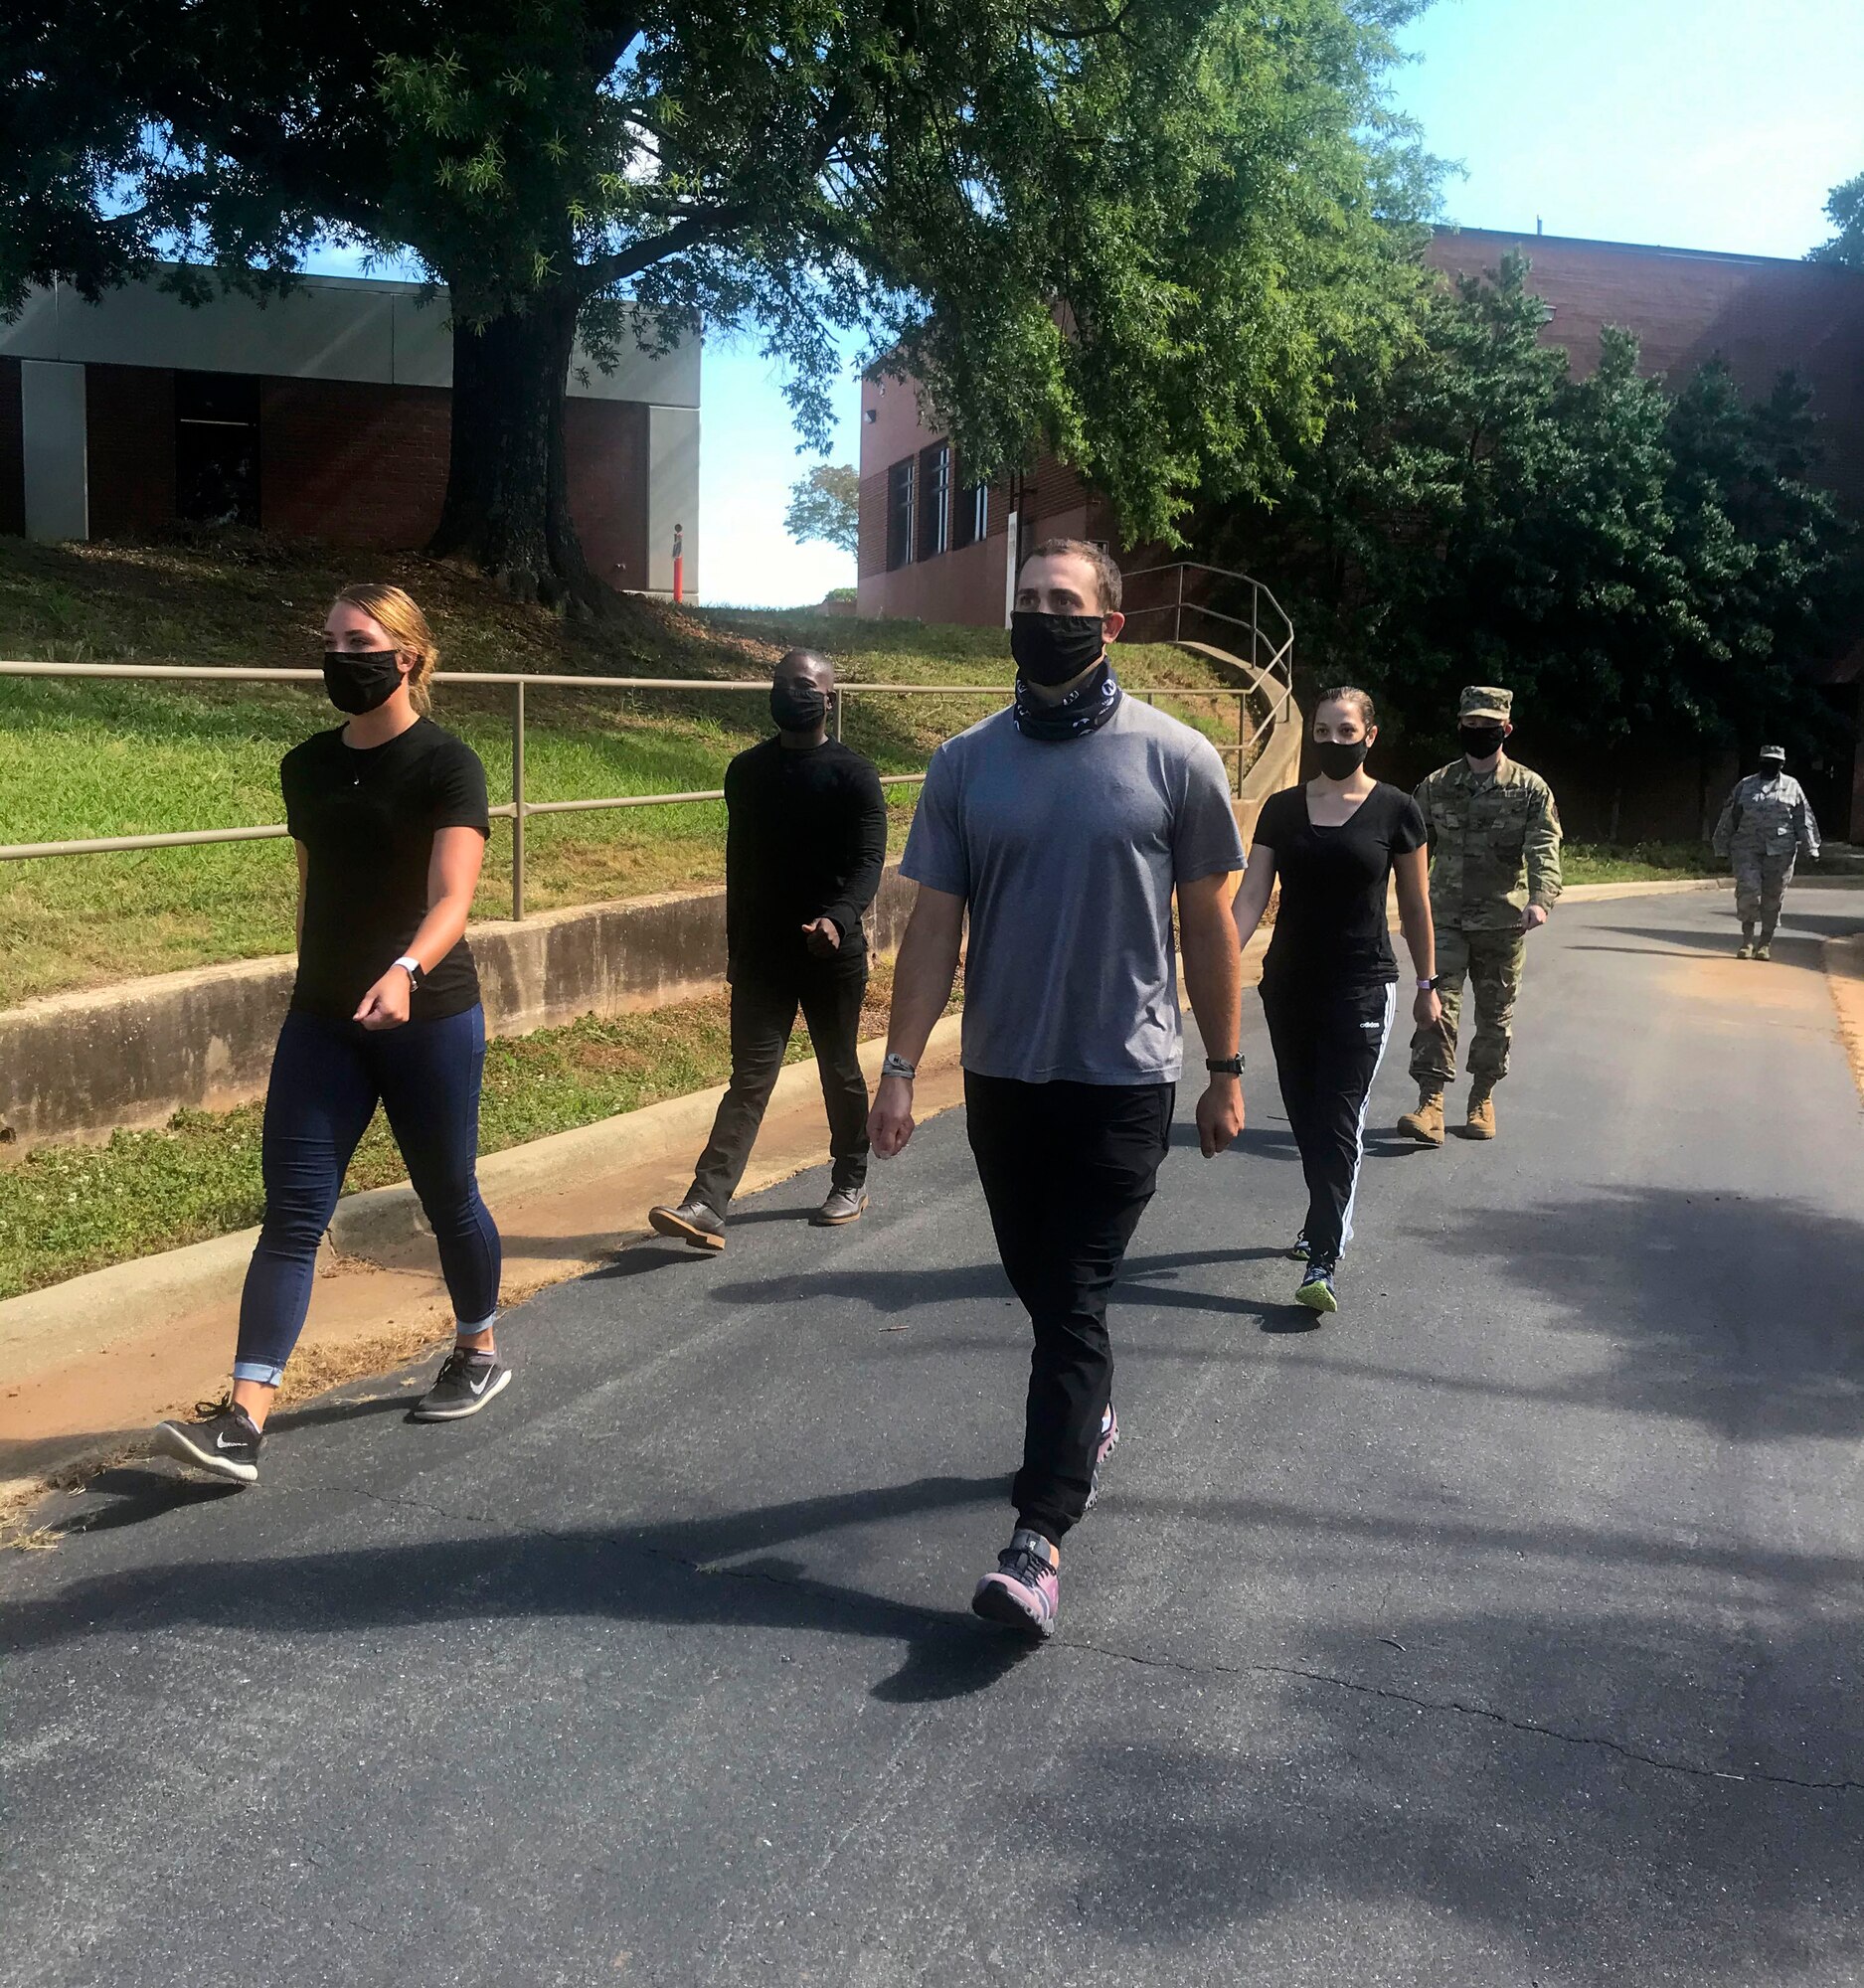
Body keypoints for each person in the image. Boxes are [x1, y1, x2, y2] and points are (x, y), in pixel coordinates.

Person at [869, 539, 1247, 1641]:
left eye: (1064, 602)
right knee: (1043, 1288)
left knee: (1072, 1297)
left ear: (1111, 625)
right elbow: (934, 929)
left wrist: (1224, 1068)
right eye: (1027, 599)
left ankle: (1038, 1536)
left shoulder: (1178, 759)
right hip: (1002, 1075)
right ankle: (1089, 1415)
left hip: (1122, 1076)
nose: (1041, 615)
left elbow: (1208, 928)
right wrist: (898, 1069)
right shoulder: (964, 763)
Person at [156, 584, 505, 1486]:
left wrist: (405, 972)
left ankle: (478, 1347)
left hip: (428, 1015)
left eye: (359, 640)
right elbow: (311, 889)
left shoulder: (446, 763)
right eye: (329, 641)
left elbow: (454, 898)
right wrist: (314, 979)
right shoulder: (304, 765)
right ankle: (244, 1417)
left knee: (447, 1194)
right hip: (323, 1020)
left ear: (408, 657)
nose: (338, 656)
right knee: (294, 1212)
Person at [648, 649, 887, 1249]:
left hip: (832, 953)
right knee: (750, 1079)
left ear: (829, 698)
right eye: (783, 683)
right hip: (763, 956)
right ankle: (706, 1202)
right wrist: (735, 949)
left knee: (838, 1068)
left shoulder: (854, 775)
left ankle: (851, 1178)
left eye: (805, 685)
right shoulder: (747, 771)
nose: (792, 693)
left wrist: (837, 920)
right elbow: (741, 867)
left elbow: (868, 863)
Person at [1232, 689, 1439, 1314]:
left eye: (1346, 731)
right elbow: (1249, 901)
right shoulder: (1282, 810)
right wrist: (1215, 962)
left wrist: (1428, 987)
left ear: (1370, 736)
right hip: (1290, 985)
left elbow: (1417, 907)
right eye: (1322, 730)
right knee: (1304, 1118)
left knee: (1339, 1118)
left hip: (1362, 985)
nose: (1333, 741)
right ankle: (1322, 1219)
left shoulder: (1397, 811)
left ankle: (1323, 1251)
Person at [1397, 686, 1562, 1146]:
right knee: (1436, 1008)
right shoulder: (1435, 786)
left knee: (1494, 1018)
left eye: (1488, 727)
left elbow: (1545, 846)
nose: (1479, 733)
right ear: (1460, 726)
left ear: (1505, 729)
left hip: (1503, 922)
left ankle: (1482, 1096)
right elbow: (1409, 846)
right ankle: (1430, 1101)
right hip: (1444, 919)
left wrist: (1540, 898)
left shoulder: (1529, 788)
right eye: (1471, 726)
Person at [1712, 746, 1820, 959]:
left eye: (1775, 761)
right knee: (1748, 890)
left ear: (1782, 764)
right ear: (1760, 762)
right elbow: (1729, 817)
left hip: (1780, 852)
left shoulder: (1792, 786)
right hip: (1747, 849)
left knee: (1773, 897)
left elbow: (1803, 818)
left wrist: (1811, 847)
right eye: (1766, 761)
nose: (1770, 765)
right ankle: (1747, 941)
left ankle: (1765, 943)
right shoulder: (1745, 786)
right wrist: (1721, 846)